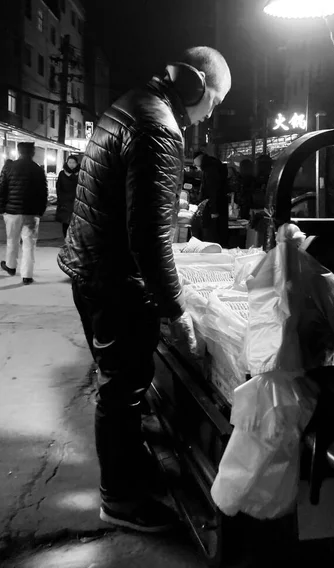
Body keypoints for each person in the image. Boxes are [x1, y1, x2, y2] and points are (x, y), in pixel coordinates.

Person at [57, 46, 231, 532]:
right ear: (197, 86)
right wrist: (176, 310)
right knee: (121, 392)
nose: (209, 114)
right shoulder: (158, 126)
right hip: (112, 282)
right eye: (214, 101)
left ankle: (130, 473)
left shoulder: (132, 103)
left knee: (121, 387)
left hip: (91, 271)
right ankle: (120, 501)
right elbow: (149, 239)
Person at [0, 142, 48, 284]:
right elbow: (43, 193)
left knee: (12, 240)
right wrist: (40, 211)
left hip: (12, 211)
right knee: (29, 243)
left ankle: (10, 266)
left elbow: (2, 189)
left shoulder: (9, 167)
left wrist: (2, 208)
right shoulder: (38, 170)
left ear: (19, 151)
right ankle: (27, 275)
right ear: (32, 153)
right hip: (31, 213)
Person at [192, 151, 229, 246]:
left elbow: (212, 190)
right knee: (216, 235)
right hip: (216, 207)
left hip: (213, 209)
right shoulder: (213, 166)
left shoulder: (210, 169)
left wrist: (213, 210)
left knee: (212, 237)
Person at [56, 155, 80, 238]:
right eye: (70, 162)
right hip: (65, 202)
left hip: (77, 202)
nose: (72, 164)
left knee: (77, 223)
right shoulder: (62, 174)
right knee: (66, 223)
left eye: (74, 162)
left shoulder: (80, 174)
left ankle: (75, 242)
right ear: (67, 163)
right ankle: (66, 240)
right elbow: (58, 187)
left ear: (77, 164)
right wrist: (60, 199)